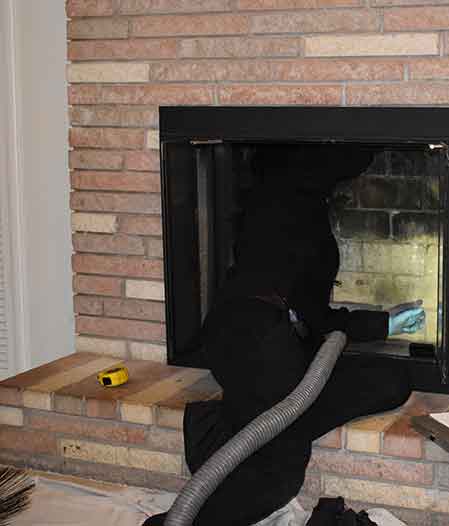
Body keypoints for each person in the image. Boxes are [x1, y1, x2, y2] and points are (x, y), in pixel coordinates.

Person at [144, 145, 424, 526]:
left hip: (234, 339)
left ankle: (240, 426)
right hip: (260, 342)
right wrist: (381, 325)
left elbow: (309, 317)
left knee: (375, 386)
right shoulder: (300, 217)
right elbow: (317, 318)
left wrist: (377, 325)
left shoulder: (269, 197)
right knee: (279, 471)